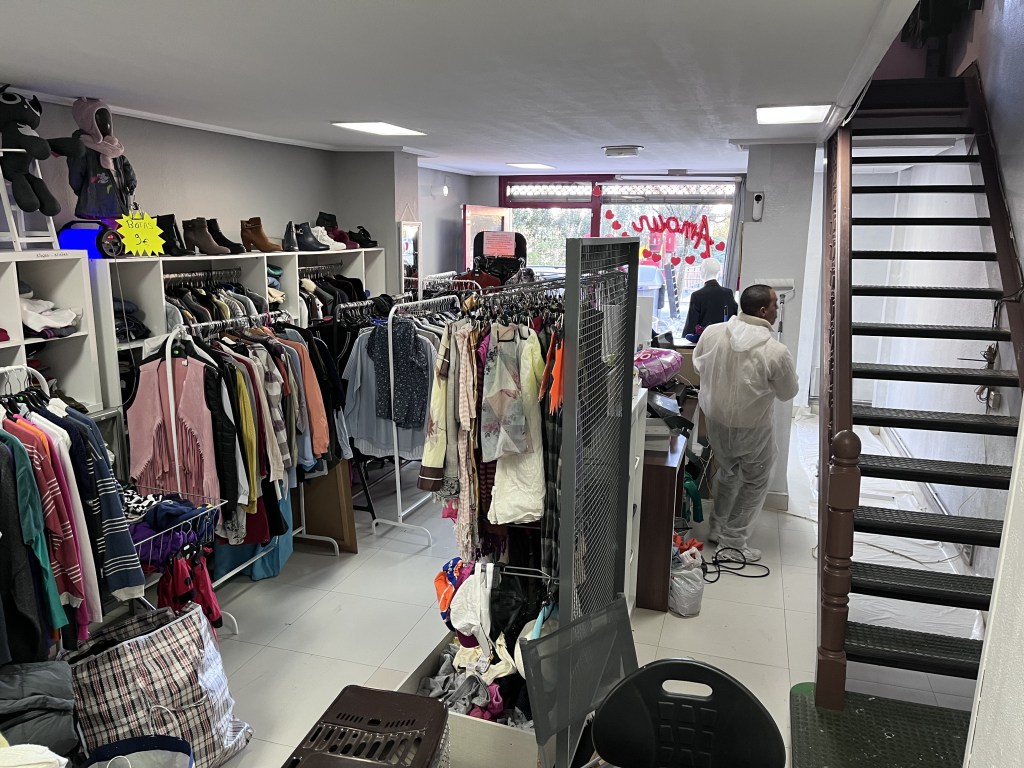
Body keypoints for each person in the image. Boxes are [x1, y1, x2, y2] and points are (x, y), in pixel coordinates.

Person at [692, 284, 799, 561]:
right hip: (752, 429)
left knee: (728, 472)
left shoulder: (713, 333)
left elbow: (698, 365)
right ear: (763, 311)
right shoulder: (775, 351)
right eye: (775, 305)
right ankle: (732, 543)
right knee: (755, 481)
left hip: (717, 423)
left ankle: (717, 527)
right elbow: (788, 392)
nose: (777, 310)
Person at [682, 259, 737, 339]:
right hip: (723, 337)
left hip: (704, 338)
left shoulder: (697, 295)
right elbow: (734, 315)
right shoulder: (728, 293)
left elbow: (691, 322)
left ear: (704, 271)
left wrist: (684, 339)